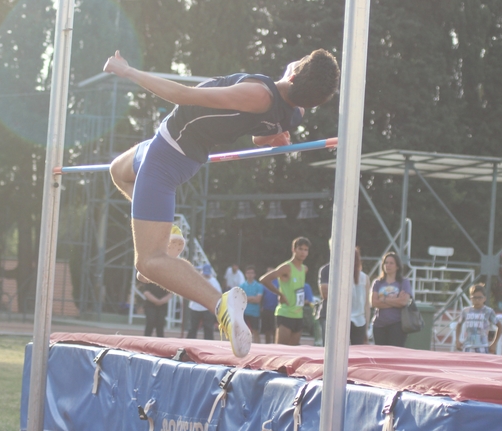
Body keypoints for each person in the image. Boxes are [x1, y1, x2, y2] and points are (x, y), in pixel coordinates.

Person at [105, 49, 340, 358]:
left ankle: (221, 304)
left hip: (168, 154)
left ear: (294, 73)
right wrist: (273, 140)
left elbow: (182, 94)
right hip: (165, 144)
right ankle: (170, 233)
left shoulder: (259, 93)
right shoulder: (294, 113)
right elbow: (258, 135)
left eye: (298, 60)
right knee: (117, 171)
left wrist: (128, 71)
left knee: (147, 263)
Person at [261, 237, 311, 346]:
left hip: (298, 314)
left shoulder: (304, 269)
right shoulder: (287, 267)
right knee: (281, 349)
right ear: (294, 249)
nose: (303, 252)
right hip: (285, 313)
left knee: (293, 352)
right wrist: (280, 294)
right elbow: (264, 279)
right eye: (300, 249)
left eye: (306, 250)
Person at [318, 246, 370, 346]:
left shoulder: (340, 276)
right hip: (357, 321)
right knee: (355, 353)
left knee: (336, 351)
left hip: (344, 320)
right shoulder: (364, 277)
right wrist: (366, 327)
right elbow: (366, 305)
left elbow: (366, 304)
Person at [370, 252, 412, 347]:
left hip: (397, 324)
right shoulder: (377, 283)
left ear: (397, 266)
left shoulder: (403, 282)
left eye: (391, 263)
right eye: (386, 263)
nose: (388, 265)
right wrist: (396, 299)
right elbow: (374, 302)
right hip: (379, 325)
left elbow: (404, 301)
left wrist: (384, 299)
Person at [455, 283, 502, 354]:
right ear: (471, 298)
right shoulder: (466, 311)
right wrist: (457, 340)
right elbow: (459, 324)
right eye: (474, 297)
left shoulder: (488, 311)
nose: (477, 300)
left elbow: (500, 326)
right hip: (468, 346)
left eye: (480, 298)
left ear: (484, 298)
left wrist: (494, 343)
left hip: (482, 346)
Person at [186, 265, 222, 340]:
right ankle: (188, 344)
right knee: (192, 328)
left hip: (208, 308)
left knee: (208, 329)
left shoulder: (214, 282)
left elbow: (219, 294)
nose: (206, 275)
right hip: (195, 307)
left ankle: (209, 345)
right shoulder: (196, 279)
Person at [239, 265, 264, 344]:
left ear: (254, 274)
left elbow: (258, 300)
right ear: (245, 274)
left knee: (255, 331)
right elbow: (240, 299)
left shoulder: (259, 286)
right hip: (244, 312)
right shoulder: (241, 286)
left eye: (251, 273)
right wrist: (252, 298)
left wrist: (246, 298)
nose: (250, 275)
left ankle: (258, 347)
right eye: (248, 273)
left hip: (254, 313)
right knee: (242, 331)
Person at [260, 267, 278, 344]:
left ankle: (275, 345)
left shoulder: (279, 282)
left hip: (276, 309)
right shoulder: (263, 283)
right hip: (266, 309)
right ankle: (267, 345)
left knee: (275, 330)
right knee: (267, 330)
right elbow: (261, 296)